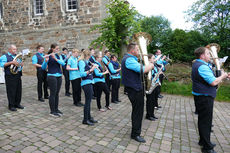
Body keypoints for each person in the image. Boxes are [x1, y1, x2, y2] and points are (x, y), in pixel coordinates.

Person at [192, 47, 229, 153]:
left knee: (203, 120)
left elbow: (211, 77)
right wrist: (223, 76)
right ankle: (206, 147)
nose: (210, 55)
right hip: (204, 97)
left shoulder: (198, 64)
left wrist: (222, 76)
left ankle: (203, 141)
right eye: (208, 53)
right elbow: (213, 82)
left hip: (202, 96)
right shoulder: (202, 66)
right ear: (202, 55)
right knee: (205, 121)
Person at [121, 42, 154, 143]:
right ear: (132, 50)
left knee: (137, 111)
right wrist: (151, 64)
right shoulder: (129, 59)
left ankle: (135, 132)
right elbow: (143, 69)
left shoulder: (130, 59)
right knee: (138, 112)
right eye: (138, 49)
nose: (139, 51)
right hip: (134, 90)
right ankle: (135, 134)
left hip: (135, 88)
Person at [42, 43, 65, 117]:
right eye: (57, 49)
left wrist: (55, 58)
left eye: (58, 49)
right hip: (51, 76)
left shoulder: (59, 56)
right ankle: (52, 111)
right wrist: (46, 61)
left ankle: (56, 109)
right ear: (52, 49)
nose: (58, 50)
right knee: (53, 93)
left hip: (59, 75)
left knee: (57, 93)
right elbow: (43, 67)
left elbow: (63, 63)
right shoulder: (48, 56)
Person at [0, 45, 24, 111]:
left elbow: (19, 66)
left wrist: (21, 65)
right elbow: (2, 64)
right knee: (11, 91)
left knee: (18, 90)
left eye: (16, 49)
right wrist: (11, 62)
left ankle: (17, 104)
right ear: (9, 50)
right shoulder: (5, 56)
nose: (15, 50)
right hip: (10, 76)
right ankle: (11, 105)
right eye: (14, 49)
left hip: (17, 75)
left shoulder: (18, 57)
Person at [78, 50, 98, 126]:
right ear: (87, 55)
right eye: (90, 56)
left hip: (89, 82)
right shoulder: (81, 62)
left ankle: (89, 117)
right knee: (87, 102)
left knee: (89, 102)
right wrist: (91, 69)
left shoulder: (85, 61)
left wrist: (92, 68)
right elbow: (82, 74)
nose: (90, 57)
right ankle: (85, 119)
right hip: (86, 83)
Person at [145, 54, 159, 121]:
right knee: (150, 101)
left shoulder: (154, 64)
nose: (154, 59)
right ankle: (148, 115)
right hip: (150, 85)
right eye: (153, 58)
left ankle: (152, 114)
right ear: (149, 59)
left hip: (155, 84)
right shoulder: (148, 66)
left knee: (153, 100)